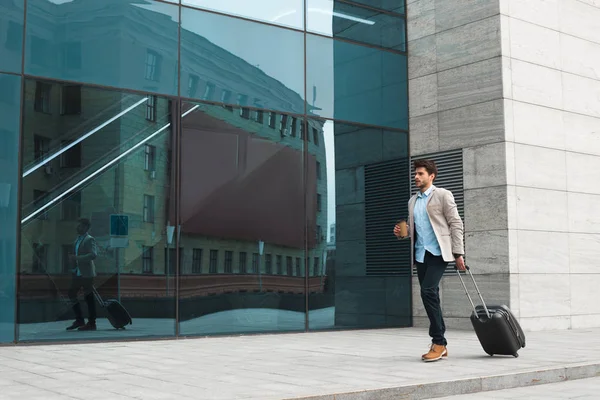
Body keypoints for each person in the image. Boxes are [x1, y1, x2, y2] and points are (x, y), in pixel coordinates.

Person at [394, 159, 465, 362]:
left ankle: (439, 342)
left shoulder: (442, 195)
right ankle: (440, 342)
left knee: (427, 291)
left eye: (420, 174)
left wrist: (458, 253)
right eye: (415, 174)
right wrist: (401, 233)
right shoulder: (412, 201)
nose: (416, 177)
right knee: (429, 295)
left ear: (431, 176)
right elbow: (413, 230)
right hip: (420, 255)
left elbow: (455, 223)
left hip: (438, 253)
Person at [66, 218, 98, 331]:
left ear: (85, 227)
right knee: (71, 293)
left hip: (87, 274)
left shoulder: (89, 239)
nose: (77, 227)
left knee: (89, 298)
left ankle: (92, 323)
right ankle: (79, 319)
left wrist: (77, 258)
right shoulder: (77, 240)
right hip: (78, 273)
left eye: (79, 226)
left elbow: (93, 255)